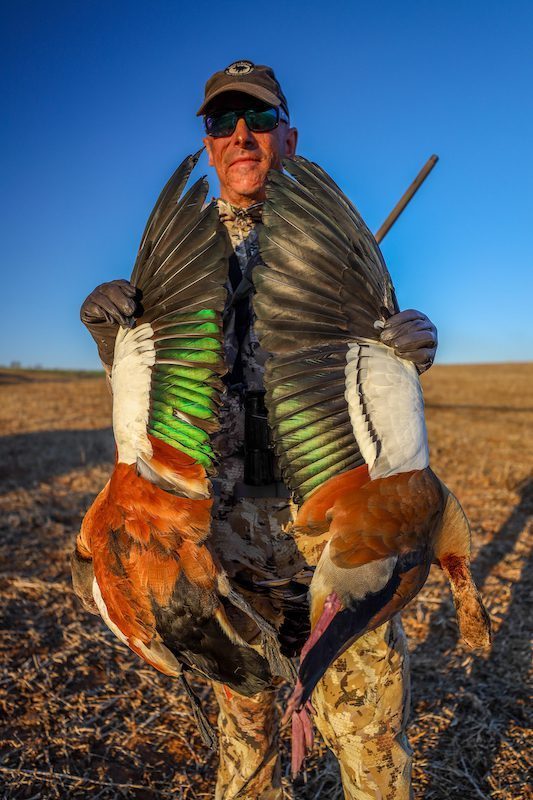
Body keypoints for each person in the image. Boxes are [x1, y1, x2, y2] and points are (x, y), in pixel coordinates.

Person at [79, 60, 438, 800]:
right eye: (222, 123)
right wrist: (108, 334)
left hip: (336, 542)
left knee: (371, 748)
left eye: (261, 120)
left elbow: (375, 392)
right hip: (222, 555)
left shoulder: (335, 253)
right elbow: (142, 412)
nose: (242, 135)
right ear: (208, 144)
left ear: (289, 136)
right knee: (246, 753)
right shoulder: (176, 265)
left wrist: (406, 350)